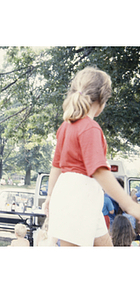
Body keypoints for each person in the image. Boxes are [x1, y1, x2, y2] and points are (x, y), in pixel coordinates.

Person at [43, 66, 140, 247]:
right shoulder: (90, 127)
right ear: (102, 100)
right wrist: (130, 205)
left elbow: (56, 166)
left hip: (74, 194)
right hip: (80, 196)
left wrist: (50, 195)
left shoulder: (66, 125)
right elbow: (98, 170)